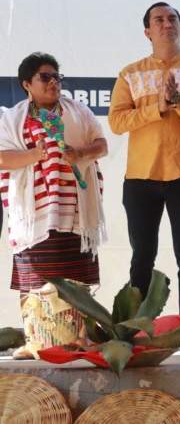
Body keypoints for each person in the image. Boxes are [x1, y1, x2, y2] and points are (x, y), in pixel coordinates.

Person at [109, 2, 180, 354]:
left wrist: (178, 101)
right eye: (159, 19)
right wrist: (157, 107)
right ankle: (134, 336)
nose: (166, 23)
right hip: (141, 177)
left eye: (172, 18)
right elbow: (116, 122)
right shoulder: (130, 73)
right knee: (143, 255)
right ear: (147, 32)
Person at [0, 52, 107, 359]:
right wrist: (37, 155)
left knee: (75, 277)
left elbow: (102, 145)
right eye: (44, 78)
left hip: (75, 210)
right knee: (36, 276)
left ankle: (77, 339)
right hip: (34, 213)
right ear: (26, 84)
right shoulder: (12, 118)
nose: (53, 83)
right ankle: (38, 341)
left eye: (56, 77)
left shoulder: (78, 112)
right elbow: (3, 158)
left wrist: (82, 152)